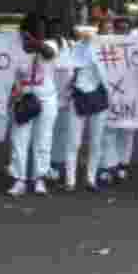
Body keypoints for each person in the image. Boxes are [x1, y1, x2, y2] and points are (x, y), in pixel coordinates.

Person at [7, 13, 59, 196]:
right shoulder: (16, 49)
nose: (42, 32)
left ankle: (39, 179)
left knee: (43, 140)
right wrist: (14, 89)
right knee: (19, 140)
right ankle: (19, 180)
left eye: (43, 29)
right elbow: (10, 74)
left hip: (46, 100)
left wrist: (36, 43)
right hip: (23, 100)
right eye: (38, 28)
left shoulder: (50, 44)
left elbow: (49, 53)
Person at [65, 25, 109, 191]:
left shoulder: (104, 49)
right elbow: (68, 70)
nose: (87, 36)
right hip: (79, 95)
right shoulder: (74, 49)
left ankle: (91, 178)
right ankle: (70, 180)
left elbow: (110, 73)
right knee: (73, 141)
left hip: (98, 95)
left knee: (96, 141)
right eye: (84, 33)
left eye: (90, 34)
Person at [100, 14, 135, 183]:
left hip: (130, 94)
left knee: (127, 130)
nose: (122, 32)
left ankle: (123, 164)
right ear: (114, 30)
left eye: (125, 29)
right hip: (111, 94)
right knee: (109, 130)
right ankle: (108, 166)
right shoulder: (106, 46)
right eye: (119, 29)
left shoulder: (136, 47)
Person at [47, 16, 74, 183]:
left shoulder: (70, 45)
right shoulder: (46, 47)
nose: (56, 32)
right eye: (53, 29)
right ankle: (47, 164)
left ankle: (59, 164)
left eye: (59, 29)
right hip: (49, 97)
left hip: (67, 97)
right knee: (47, 132)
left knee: (64, 132)